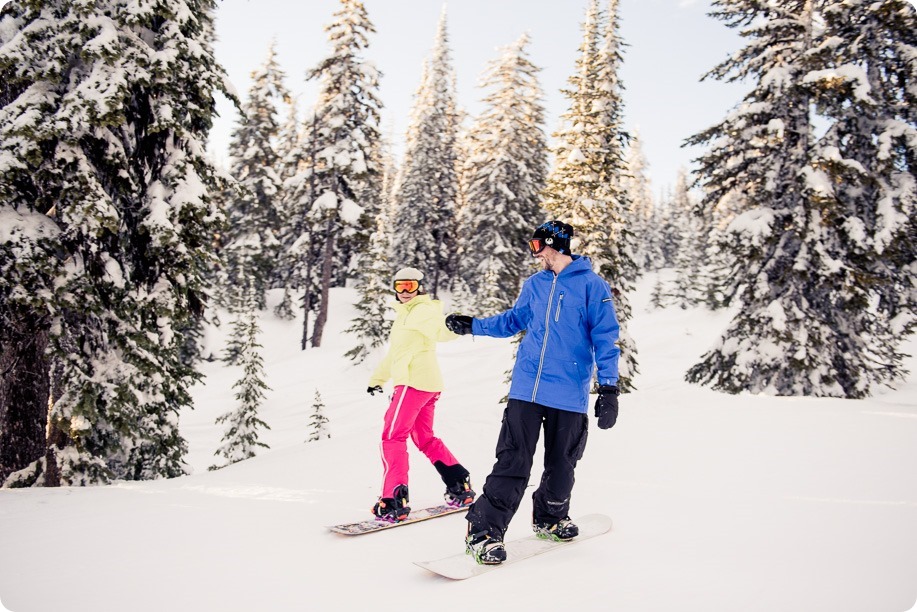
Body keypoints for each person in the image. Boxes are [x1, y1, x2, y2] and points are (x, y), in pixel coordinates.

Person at [445, 220, 621, 564]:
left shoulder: (592, 286)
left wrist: (609, 388)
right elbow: (514, 320)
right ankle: (484, 532)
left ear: (555, 245)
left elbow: (605, 338)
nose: (535, 254)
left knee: (562, 464)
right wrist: (474, 326)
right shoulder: (536, 284)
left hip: (569, 391)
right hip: (526, 388)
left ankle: (551, 517)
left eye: (537, 246)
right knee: (513, 461)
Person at [367, 266, 475, 522]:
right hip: (426, 383)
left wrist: (456, 328)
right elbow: (395, 354)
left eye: (411, 286)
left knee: (392, 437)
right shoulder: (404, 315)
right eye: (400, 286)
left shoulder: (422, 311)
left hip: (413, 383)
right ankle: (459, 483)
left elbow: (438, 331)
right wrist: (377, 379)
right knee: (424, 437)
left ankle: (393, 499)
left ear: (420, 287)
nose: (405, 292)